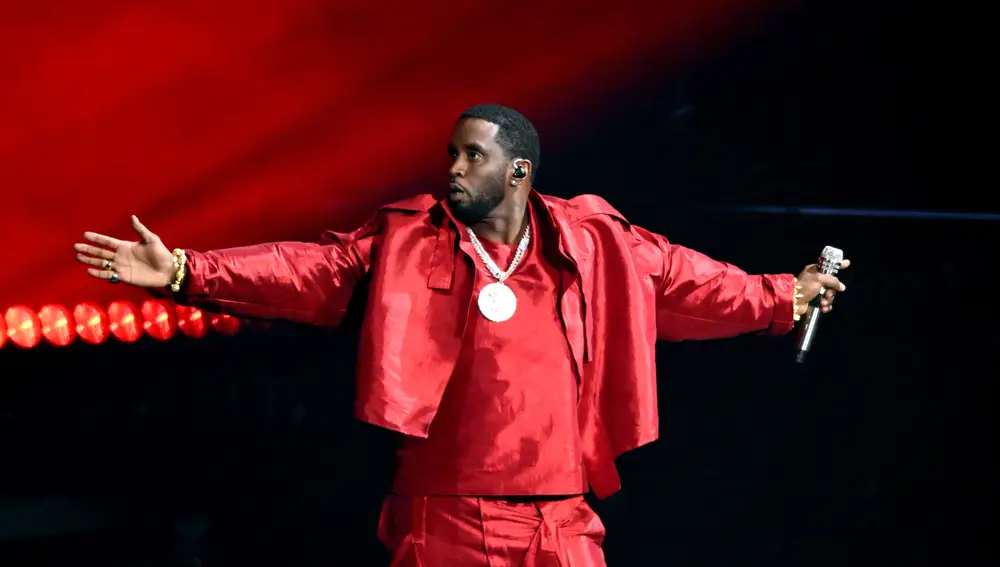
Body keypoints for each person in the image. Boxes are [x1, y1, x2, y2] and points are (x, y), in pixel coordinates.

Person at [73, 104, 849, 566]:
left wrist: (785, 294)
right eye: (450, 153)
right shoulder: (409, 239)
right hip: (443, 518)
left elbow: (690, 279)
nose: (452, 168)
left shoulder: (594, 239)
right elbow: (306, 270)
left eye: (471, 155)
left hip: (561, 519)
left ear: (518, 170)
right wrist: (185, 270)